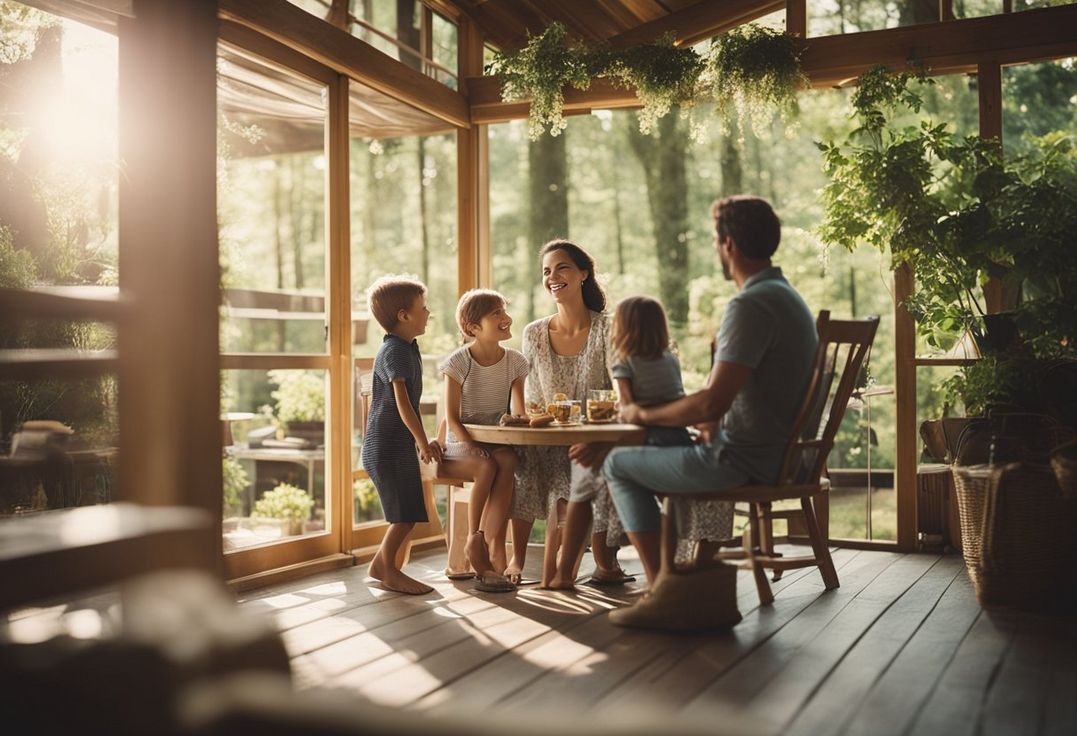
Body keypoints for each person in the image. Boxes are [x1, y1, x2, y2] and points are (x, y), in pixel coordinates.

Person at [601, 195, 818, 628]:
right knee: (662, 464)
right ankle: (682, 584)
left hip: (745, 460)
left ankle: (662, 590)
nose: (717, 250)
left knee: (618, 465)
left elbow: (712, 401)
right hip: (782, 455)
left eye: (716, 241)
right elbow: (728, 399)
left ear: (730, 245)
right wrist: (707, 422)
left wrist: (642, 416)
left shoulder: (750, 304)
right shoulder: (786, 297)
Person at [510, 239, 631, 589]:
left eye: (562, 268)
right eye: (547, 271)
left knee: (593, 461)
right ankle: (517, 558)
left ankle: (603, 559)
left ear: (583, 274)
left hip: (595, 438)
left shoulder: (608, 328)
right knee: (520, 459)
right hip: (547, 440)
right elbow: (532, 400)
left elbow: (622, 395)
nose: (552, 277)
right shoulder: (533, 333)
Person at [438, 289, 528, 593]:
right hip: (461, 443)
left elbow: (519, 410)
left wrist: (520, 418)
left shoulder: (515, 362)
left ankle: (493, 545)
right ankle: (476, 542)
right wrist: (472, 443)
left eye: (504, 310)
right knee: (488, 465)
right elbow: (451, 418)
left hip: (495, 442)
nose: (506, 318)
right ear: (473, 328)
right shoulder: (459, 362)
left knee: (508, 460)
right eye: (496, 314)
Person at [362, 275, 442, 595]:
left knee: (407, 512)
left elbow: (411, 403)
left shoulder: (408, 348)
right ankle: (387, 568)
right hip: (386, 447)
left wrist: (421, 440)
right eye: (423, 308)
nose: (428, 313)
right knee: (404, 516)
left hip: (396, 446)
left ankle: (382, 566)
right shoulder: (394, 351)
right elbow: (403, 403)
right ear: (403, 315)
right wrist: (423, 442)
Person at [608, 296, 692, 448]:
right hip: (680, 435)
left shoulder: (624, 360)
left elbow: (627, 407)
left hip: (649, 437)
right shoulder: (671, 358)